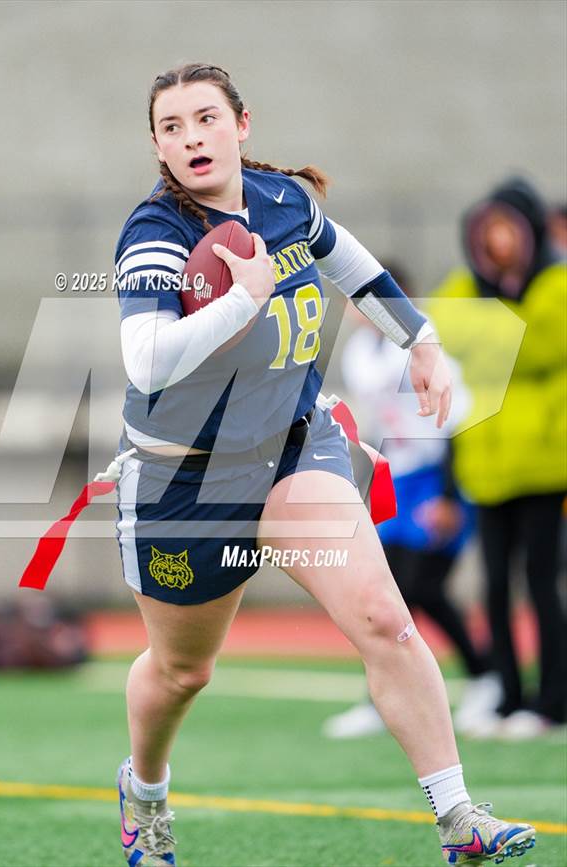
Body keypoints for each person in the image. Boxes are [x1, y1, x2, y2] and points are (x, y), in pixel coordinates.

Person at [113, 63, 535, 866]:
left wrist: (423, 340)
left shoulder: (284, 202)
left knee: (384, 615)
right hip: (187, 474)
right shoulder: (153, 233)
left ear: (242, 124)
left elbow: (351, 264)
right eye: (172, 126)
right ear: (159, 145)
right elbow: (146, 362)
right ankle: (145, 791)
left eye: (207, 118)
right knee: (181, 670)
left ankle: (458, 818)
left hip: (292, 447)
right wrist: (243, 301)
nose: (192, 136)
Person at [323, 263, 500, 739]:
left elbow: (458, 421)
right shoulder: (363, 352)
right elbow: (378, 425)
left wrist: (447, 495)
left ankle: (486, 675)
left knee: (421, 587)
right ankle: (381, 697)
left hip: (438, 474)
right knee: (386, 594)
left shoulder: (423, 345)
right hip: (397, 475)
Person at [429, 178, 567, 739]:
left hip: (542, 463)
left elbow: (537, 346)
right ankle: (509, 694)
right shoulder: (465, 287)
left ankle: (553, 700)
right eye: (488, 233)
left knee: (540, 583)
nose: (498, 242)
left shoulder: (556, 284)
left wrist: (496, 334)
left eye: (508, 229)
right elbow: (446, 333)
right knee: (492, 587)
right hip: (485, 464)